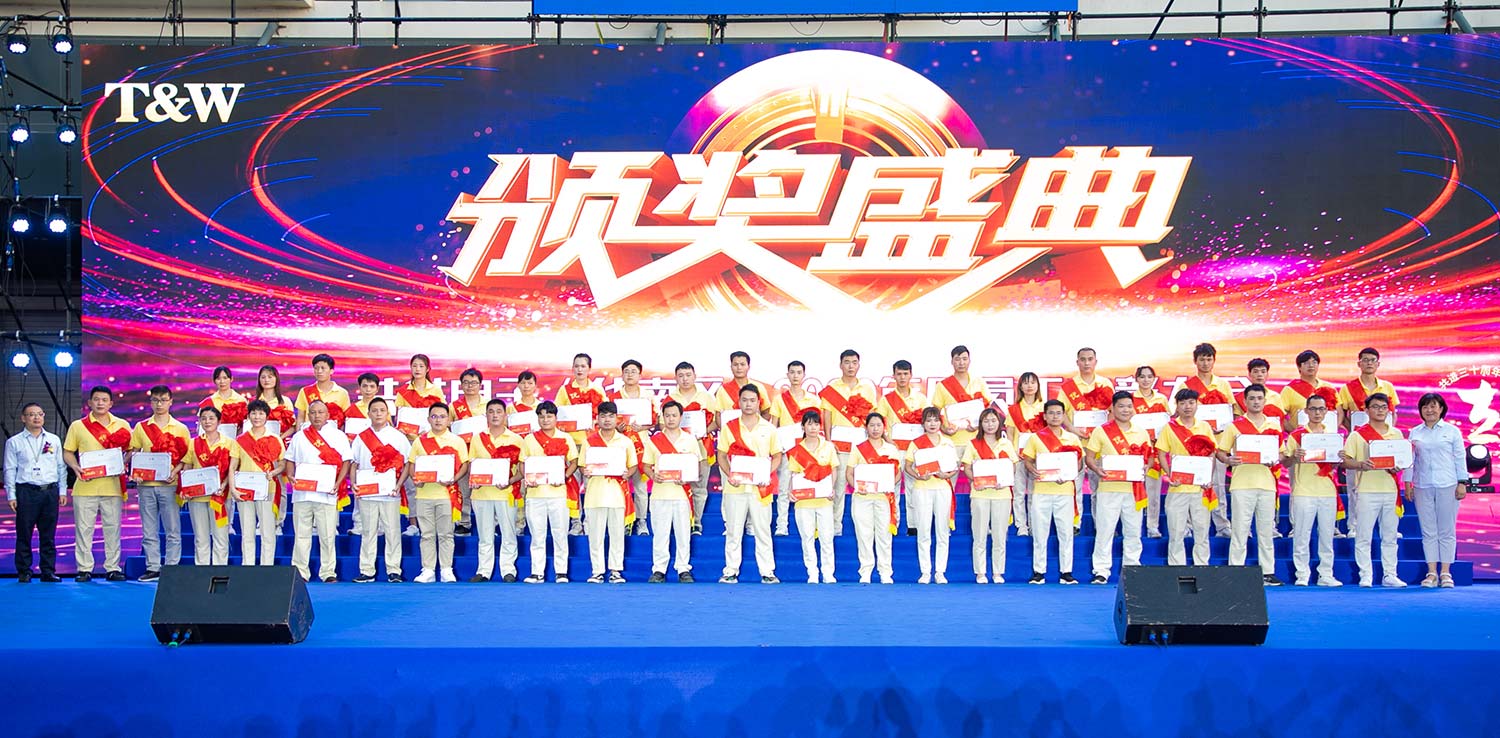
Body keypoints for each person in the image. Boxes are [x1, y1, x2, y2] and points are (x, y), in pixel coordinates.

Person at [1216, 384, 1284, 586]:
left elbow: (1281, 453)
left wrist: (1276, 459)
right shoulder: (1234, 426)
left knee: (1266, 530)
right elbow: (1220, 452)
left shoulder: (1273, 426)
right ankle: (1237, 570)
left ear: (1265, 401)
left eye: (1259, 398)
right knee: (1240, 529)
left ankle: (1268, 572)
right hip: (1242, 484)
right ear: (1245, 401)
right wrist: (1228, 460)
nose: (1256, 402)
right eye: (1252, 398)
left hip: (1267, 484)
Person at [62, 386, 132, 582]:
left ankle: (112, 568)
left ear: (111, 403)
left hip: (113, 486)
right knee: (84, 529)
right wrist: (75, 467)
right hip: (85, 486)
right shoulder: (78, 426)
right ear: (89, 403)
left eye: (104, 400)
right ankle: (84, 569)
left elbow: (131, 449)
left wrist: (123, 463)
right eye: (96, 399)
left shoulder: (122, 425)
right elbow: (68, 451)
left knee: (113, 528)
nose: (100, 403)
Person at [1341, 392, 1408, 588]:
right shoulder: (1357, 435)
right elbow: (1344, 461)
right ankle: (1365, 575)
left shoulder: (1396, 434)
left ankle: (1390, 575)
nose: (1380, 410)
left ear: (1389, 410)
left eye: (1383, 407)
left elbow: (1402, 460)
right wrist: (1360, 464)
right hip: (1366, 490)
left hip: (1390, 490)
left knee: (1390, 536)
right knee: (1363, 535)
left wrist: (1398, 467)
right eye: (1375, 407)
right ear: (1366, 410)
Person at [1084, 392, 1151, 585]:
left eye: (1129, 406)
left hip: (1134, 490)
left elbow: (1150, 457)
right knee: (1105, 531)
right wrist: (1097, 469)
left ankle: (1132, 569)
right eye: (1121, 406)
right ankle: (1101, 571)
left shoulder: (1141, 432)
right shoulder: (1101, 431)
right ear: (1112, 408)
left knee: (1133, 531)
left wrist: (1146, 467)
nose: (1125, 410)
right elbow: (1089, 457)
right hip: (1108, 488)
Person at [717, 384, 780, 584]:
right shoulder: (730, 427)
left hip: (760, 488)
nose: (748, 404)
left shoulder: (769, 429)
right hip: (735, 488)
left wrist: (767, 473)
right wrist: (730, 474)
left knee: (763, 531)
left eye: (752, 400)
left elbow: (777, 456)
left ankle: (767, 572)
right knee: (734, 531)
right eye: (744, 400)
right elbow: (721, 455)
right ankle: (730, 571)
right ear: (739, 402)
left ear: (759, 402)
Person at [285, 400, 352, 582]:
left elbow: (346, 461)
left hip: (326, 493)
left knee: (327, 535)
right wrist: (290, 475)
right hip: (302, 494)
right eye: (313, 412)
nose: (316, 416)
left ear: (327, 415)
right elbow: (289, 459)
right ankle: (300, 571)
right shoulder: (300, 436)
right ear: (308, 415)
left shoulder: (338, 436)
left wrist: (338, 483)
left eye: (320, 412)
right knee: (301, 535)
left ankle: (328, 572)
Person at [1281, 392, 1343, 586]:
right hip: (1303, 491)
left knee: (1326, 536)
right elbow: (1285, 462)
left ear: (1326, 412)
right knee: (1301, 535)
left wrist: (1338, 459)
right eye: (1313, 409)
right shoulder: (1297, 435)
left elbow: (1334, 465)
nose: (1317, 413)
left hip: (1327, 491)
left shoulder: (1332, 437)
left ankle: (1326, 574)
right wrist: (1295, 457)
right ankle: (1302, 574)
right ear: (1306, 411)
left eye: (1321, 409)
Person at [130, 384, 191, 581]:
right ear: (150, 402)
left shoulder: (180, 428)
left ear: (171, 402)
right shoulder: (141, 427)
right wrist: (135, 473)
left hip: (169, 484)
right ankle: (153, 567)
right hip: (146, 486)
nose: (159, 404)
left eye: (163, 400)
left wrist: (175, 472)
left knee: (173, 529)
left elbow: (186, 458)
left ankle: (171, 566)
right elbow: (134, 453)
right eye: (155, 400)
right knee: (149, 529)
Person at [1021, 400, 1084, 584]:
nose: (1055, 416)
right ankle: (1039, 571)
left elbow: (1079, 463)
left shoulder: (1072, 438)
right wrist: (1033, 470)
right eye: (1051, 413)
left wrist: (1070, 473)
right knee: (1040, 532)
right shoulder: (1036, 438)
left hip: (1065, 491)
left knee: (1066, 532)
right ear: (1045, 415)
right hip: (1041, 490)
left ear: (1064, 415)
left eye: (1058, 413)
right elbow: (1028, 460)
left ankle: (1066, 572)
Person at [349, 398, 411, 583]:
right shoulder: (361, 437)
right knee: (368, 532)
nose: (378, 414)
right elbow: (354, 463)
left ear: (387, 413)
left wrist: (399, 485)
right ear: (368, 414)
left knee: (392, 531)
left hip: (389, 492)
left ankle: (394, 570)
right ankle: (367, 570)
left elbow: (407, 464)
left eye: (382, 410)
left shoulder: (397, 436)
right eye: (374, 410)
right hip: (367, 492)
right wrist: (353, 483)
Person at [406, 402, 469, 583]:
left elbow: (464, 464)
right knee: (426, 534)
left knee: (446, 534)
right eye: (434, 416)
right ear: (428, 419)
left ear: (449, 420)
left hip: (447, 494)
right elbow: (411, 464)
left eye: (442, 416)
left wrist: (454, 478)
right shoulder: (420, 441)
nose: (438, 420)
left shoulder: (456, 441)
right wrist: (415, 478)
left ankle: (447, 569)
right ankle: (428, 570)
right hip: (424, 494)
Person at [1408, 392, 1466, 588]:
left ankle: (1446, 572)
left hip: (1448, 484)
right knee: (1428, 531)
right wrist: (1408, 483)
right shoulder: (1415, 432)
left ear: (1441, 409)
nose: (1429, 410)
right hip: (1422, 484)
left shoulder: (1452, 431)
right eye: (1425, 407)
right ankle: (1432, 572)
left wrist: (1462, 482)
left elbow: (1460, 457)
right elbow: (1410, 460)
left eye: (1433, 406)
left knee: (1447, 530)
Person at [818, 349, 878, 537]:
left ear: (859, 365)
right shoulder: (832, 388)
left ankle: (864, 526)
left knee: (862, 485)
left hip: (861, 446)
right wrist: (828, 441)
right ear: (840, 365)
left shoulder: (867, 389)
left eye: (854, 362)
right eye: (847, 362)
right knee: (838, 487)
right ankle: (835, 526)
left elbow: (872, 418)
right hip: (839, 445)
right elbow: (827, 416)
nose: (850, 366)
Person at [1155, 389, 1218, 566]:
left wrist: (1208, 476)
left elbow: (1211, 454)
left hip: (1200, 488)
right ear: (1177, 406)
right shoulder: (1169, 428)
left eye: (1191, 402)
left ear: (1197, 404)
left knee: (1202, 531)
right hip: (1178, 488)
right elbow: (1161, 454)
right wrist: (1169, 474)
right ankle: (1177, 566)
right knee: (1176, 532)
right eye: (1182, 403)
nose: (1187, 407)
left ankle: (1202, 565)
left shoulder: (1204, 427)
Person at [5, 403, 66, 582]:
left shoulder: (53, 439)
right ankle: (24, 571)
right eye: (31, 414)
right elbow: (10, 469)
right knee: (24, 533)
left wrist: (62, 490)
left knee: (48, 535)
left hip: (49, 491)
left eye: (40, 414)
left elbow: (61, 466)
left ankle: (48, 571)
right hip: (26, 491)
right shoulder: (14, 442)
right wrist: (11, 495)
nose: (36, 417)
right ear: (23, 418)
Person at [642, 400, 702, 582]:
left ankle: (683, 568)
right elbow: (645, 465)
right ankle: (659, 569)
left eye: (674, 415)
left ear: (681, 417)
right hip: (660, 493)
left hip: (682, 494)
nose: (671, 419)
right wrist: (653, 475)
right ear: (663, 417)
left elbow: (696, 466)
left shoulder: (690, 440)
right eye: (667, 415)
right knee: (660, 534)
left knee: (683, 533)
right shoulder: (654, 441)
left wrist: (687, 477)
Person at [581, 401, 639, 583]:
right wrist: (585, 471)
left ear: (616, 418)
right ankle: (597, 571)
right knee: (595, 536)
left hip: (617, 495)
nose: (607, 420)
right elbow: (582, 465)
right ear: (597, 419)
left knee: (617, 535)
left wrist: (628, 473)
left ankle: (615, 570)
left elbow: (633, 465)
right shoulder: (589, 441)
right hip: (594, 495)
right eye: (603, 416)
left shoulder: (625, 441)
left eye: (611, 416)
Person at [468, 398, 525, 582]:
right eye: (491, 412)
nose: (495, 415)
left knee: (508, 533)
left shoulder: (516, 439)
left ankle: (508, 570)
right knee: (485, 535)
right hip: (481, 493)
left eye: (498, 412)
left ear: (505, 415)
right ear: (485, 415)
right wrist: (474, 480)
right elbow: (472, 464)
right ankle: (483, 571)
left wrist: (510, 481)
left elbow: (522, 470)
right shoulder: (477, 438)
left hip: (506, 493)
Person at [1182, 343, 1236, 537]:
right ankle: (1188, 526)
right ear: (1195, 361)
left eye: (1209, 359)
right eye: (1202, 359)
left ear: (1214, 360)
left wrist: (1222, 425)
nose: (1205, 363)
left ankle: (1222, 525)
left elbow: (1231, 412)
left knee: (1218, 486)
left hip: (1218, 444)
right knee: (1192, 486)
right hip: (1194, 446)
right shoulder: (1186, 385)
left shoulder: (1223, 384)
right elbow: (1180, 414)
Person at [521, 401, 578, 583]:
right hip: (535, 494)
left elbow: (574, 462)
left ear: (555, 418)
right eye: (542, 416)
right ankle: (537, 572)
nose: (545, 420)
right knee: (537, 535)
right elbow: (522, 463)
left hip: (558, 494)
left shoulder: (565, 437)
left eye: (549, 416)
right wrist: (527, 478)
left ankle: (561, 572)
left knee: (560, 533)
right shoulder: (529, 439)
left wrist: (564, 476)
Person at [1058, 347, 1113, 527]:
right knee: (1076, 485)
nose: (1087, 363)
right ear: (1077, 362)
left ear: (1096, 361)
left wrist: (1102, 431)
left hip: (1100, 445)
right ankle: (1075, 524)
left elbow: (1113, 411)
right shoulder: (1068, 387)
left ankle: (1101, 525)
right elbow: (1060, 412)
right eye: (1083, 359)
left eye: (1090, 359)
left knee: (1101, 487)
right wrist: (1072, 429)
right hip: (1076, 443)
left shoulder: (1105, 384)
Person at [228, 399, 286, 566]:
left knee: (267, 531)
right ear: (248, 416)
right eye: (253, 413)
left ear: (266, 416)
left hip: (267, 489)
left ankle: (267, 567)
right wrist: (233, 489)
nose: (257, 417)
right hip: (244, 490)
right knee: (247, 532)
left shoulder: (275, 439)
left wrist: (273, 472)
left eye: (261, 413)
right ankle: (248, 566)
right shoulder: (240, 440)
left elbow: (282, 464)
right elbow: (232, 467)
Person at [963, 408, 1018, 584]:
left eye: (993, 421)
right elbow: (967, 468)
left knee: (1000, 535)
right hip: (980, 494)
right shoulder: (973, 444)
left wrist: (1005, 479)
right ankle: (980, 572)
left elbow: (1013, 466)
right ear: (981, 424)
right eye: (986, 421)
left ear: (999, 423)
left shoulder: (1006, 443)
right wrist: (978, 480)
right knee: (979, 534)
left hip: (1002, 494)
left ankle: (997, 572)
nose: (990, 424)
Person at [906, 406, 959, 584]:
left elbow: (954, 467)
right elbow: (907, 466)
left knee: (942, 531)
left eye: (936, 420)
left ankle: (940, 572)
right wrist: (918, 475)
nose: (932, 424)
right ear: (923, 424)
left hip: (942, 488)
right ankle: (925, 572)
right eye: (928, 420)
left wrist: (947, 475)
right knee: (923, 530)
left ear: (940, 423)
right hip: (922, 488)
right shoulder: (916, 443)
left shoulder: (947, 442)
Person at [847, 412, 901, 584]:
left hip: (884, 498)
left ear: (884, 427)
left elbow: (898, 473)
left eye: (879, 425)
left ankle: (885, 572)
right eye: (872, 425)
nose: (875, 429)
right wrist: (857, 486)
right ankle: (866, 570)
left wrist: (888, 483)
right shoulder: (858, 448)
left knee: (884, 535)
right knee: (864, 534)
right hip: (862, 497)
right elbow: (849, 473)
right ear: (866, 427)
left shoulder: (891, 449)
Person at [787, 409, 839, 583]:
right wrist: (791, 491)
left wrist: (831, 488)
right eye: (809, 424)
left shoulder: (828, 447)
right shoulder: (797, 450)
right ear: (803, 427)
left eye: (816, 424)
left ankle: (828, 573)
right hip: (804, 502)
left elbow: (834, 470)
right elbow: (794, 474)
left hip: (824, 500)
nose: (813, 427)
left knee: (827, 537)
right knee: (807, 538)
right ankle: (812, 572)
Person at [667, 362, 719, 533]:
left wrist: (703, 431)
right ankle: (680, 522)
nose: (685, 379)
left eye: (688, 375)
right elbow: (663, 424)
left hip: (701, 448)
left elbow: (716, 422)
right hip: (677, 451)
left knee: (699, 487)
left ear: (695, 376)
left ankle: (696, 521)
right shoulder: (670, 398)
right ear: (675, 378)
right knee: (677, 486)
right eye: (681, 375)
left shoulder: (706, 397)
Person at [395, 355, 444, 537]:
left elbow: (441, 414)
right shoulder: (403, 392)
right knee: (411, 483)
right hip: (408, 441)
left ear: (427, 369)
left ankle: (432, 523)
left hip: (430, 441)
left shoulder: (436, 390)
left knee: (431, 481)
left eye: (421, 366)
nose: (417, 369)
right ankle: (413, 523)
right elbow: (399, 417)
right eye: (414, 366)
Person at [877, 359, 927, 536]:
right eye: (899, 374)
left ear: (911, 375)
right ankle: (893, 524)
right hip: (894, 449)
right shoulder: (886, 400)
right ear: (894, 375)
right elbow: (879, 423)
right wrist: (888, 441)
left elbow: (928, 423)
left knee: (915, 487)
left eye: (906, 374)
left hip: (915, 451)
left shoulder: (921, 399)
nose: (902, 377)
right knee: (893, 486)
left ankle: (914, 525)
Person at [609, 359, 658, 535]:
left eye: (633, 371)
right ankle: (623, 521)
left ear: (640, 375)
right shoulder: (614, 397)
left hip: (641, 445)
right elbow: (606, 420)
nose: (630, 375)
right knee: (619, 486)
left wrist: (644, 427)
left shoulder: (647, 395)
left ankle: (641, 521)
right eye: (626, 371)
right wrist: (617, 427)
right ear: (622, 375)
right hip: (619, 446)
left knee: (640, 487)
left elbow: (656, 420)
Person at [772, 360, 818, 536]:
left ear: (804, 375)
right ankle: (781, 524)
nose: (796, 376)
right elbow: (774, 426)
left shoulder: (813, 399)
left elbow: (817, 426)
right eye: (792, 372)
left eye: (799, 372)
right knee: (784, 488)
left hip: (807, 450)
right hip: (786, 450)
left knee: (808, 486)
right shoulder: (779, 399)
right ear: (787, 375)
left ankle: (809, 526)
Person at [1005, 371, 1046, 538]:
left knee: (1035, 494)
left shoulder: (1044, 407)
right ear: (1020, 386)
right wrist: (1013, 454)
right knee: (1019, 492)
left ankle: (1034, 524)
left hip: (1039, 458)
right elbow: (1009, 434)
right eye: (1026, 383)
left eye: (1033, 382)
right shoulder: (1014, 409)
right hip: (1019, 457)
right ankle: (1021, 525)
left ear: (1038, 386)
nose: (1030, 386)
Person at [1131, 366, 1170, 538]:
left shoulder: (1161, 399)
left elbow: (1167, 423)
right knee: (1134, 491)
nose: (1146, 380)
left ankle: (1152, 526)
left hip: (1155, 452)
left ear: (1154, 378)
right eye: (1142, 377)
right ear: (1136, 379)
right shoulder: (1131, 399)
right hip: (1135, 451)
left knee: (1153, 492)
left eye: (1149, 377)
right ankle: (1134, 526)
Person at [451, 367, 488, 535]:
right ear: (461, 385)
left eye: (473, 383)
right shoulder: (454, 406)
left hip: (483, 453)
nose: (470, 386)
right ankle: (464, 522)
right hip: (463, 454)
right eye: (466, 383)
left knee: (483, 488)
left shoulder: (488, 405)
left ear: (480, 385)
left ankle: (488, 524)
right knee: (464, 489)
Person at [1281, 349, 1341, 432]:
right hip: (1300, 436)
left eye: (1314, 362)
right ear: (1299, 367)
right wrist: (1295, 433)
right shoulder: (1289, 390)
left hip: (1327, 436)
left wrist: (1332, 430)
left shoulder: (1329, 387)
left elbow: (1340, 413)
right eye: (1306, 363)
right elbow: (1281, 416)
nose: (1311, 365)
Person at [1339, 347, 1400, 427]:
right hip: (1358, 432)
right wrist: (1352, 430)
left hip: (1383, 434)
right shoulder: (1346, 388)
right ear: (1359, 364)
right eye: (1365, 360)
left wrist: (1389, 430)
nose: (1369, 363)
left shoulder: (1388, 386)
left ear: (1378, 364)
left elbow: (1393, 414)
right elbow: (1342, 415)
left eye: (1373, 360)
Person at [294, 353, 351, 430]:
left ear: (331, 371)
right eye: (316, 368)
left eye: (323, 368)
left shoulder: (342, 393)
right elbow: (300, 417)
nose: (319, 371)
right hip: (309, 434)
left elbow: (346, 419)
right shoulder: (305, 391)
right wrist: (299, 434)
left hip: (332, 434)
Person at [198, 365, 248, 437]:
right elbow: (201, 428)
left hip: (236, 441)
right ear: (214, 381)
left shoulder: (241, 401)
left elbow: (246, 426)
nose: (222, 381)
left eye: (225, 378)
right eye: (218, 378)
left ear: (231, 379)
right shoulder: (207, 403)